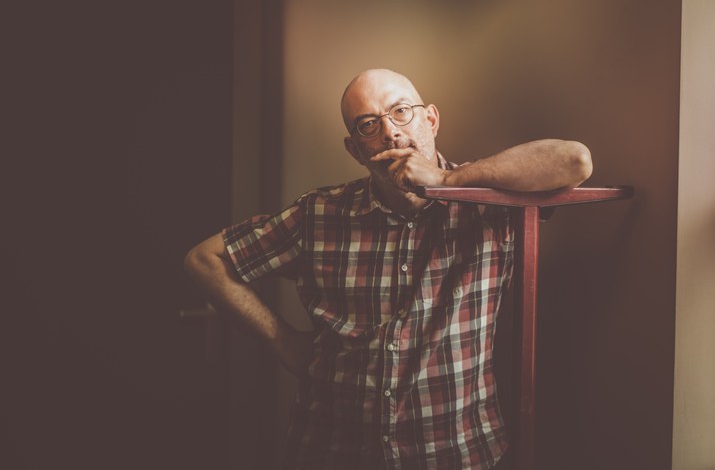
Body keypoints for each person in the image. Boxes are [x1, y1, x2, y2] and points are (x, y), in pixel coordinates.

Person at [184, 69, 592, 469]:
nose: (391, 133)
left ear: (431, 120)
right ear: (354, 149)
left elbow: (575, 161)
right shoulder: (317, 214)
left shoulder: (487, 202)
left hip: (456, 454)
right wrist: (283, 342)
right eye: (369, 125)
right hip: (330, 451)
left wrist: (447, 178)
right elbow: (205, 260)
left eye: (401, 111)